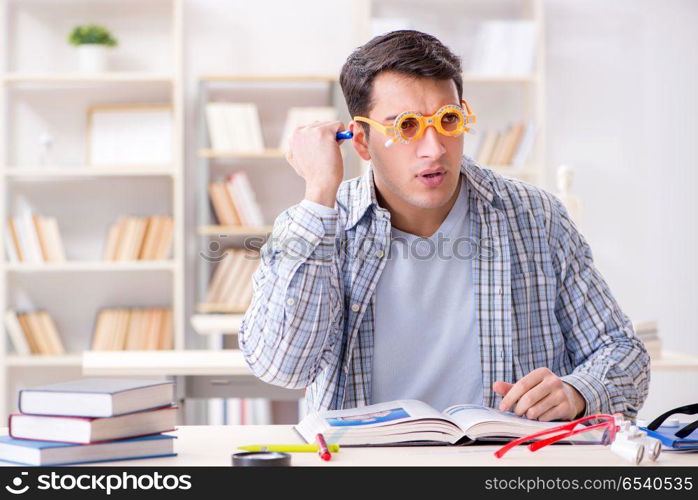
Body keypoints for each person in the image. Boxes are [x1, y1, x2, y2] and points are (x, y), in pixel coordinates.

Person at [239, 30, 649, 421]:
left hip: (503, 467)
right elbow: (283, 369)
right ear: (360, 141)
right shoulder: (317, 222)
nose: (434, 149)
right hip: (363, 467)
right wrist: (319, 193)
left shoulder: (537, 216)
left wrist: (578, 392)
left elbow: (624, 352)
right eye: (407, 127)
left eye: (448, 121)